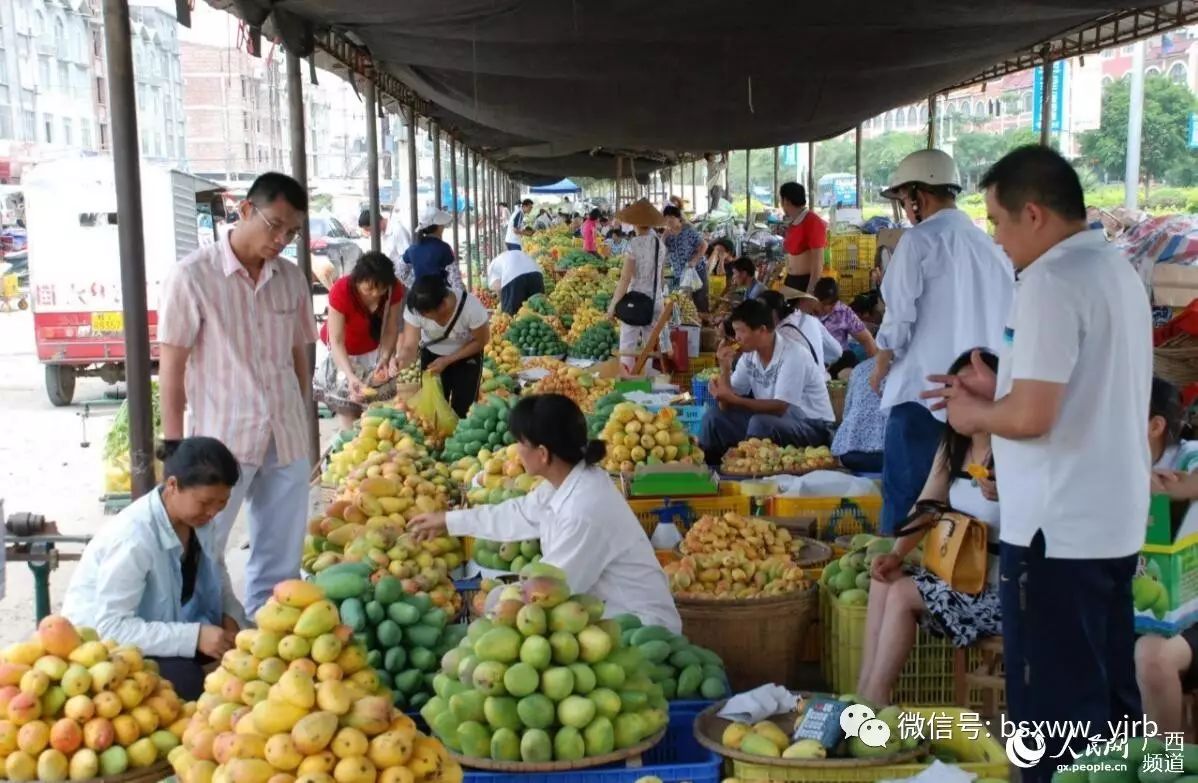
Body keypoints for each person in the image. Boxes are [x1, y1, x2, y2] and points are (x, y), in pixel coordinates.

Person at [926, 146, 1152, 781]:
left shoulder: (1051, 282)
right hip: (1108, 524)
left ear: (1032, 214)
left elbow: (1032, 417)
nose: (995, 239)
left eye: (996, 221)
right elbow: (1068, 397)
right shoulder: (1115, 270)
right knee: (1109, 708)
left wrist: (974, 418)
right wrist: (990, 397)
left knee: (1053, 718)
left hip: (1055, 535)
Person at [158, 172, 316, 616]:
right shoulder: (192, 277)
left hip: (284, 435)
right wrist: (173, 449)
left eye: (292, 231)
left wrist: (301, 412)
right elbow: (171, 371)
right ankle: (197, 640)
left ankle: (270, 635)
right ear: (245, 209)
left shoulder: (291, 279)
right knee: (203, 547)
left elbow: (298, 352)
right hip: (220, 439)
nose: (282, 239)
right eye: (275, 225)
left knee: (281, 553)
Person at [408, 394, 681, 631]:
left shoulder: (584, 510)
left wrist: (499, 601)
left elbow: (552, 588)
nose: (514, 450)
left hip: (639, 628)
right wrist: (448, 521)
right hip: (601, 614)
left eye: (519, 443)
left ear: (542, 453)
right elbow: (520, 513)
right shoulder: (567, 482)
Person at [870, 149, 1013, 537]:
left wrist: (881, 364)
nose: (904, 207)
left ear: (919, 195)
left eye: (903, 199)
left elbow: (898, 317)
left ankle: (893, 578)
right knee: (960, 504)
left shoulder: (918, 242)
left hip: (924, 394)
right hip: (981, 398)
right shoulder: (993, 248)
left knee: (906, 497)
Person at [857, 350, 1002, 705]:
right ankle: (861, 693)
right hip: (957, 575)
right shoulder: (953, 447)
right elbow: (927, 506)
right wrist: (895, 555)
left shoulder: (1014, 452)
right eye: (955, 392)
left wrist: (1009, 492)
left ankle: (874, 701)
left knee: (905, 593)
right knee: (884, 581)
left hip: (1003, 590)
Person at [62, 437, 244, 700]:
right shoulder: (133, 539)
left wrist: (231, 617)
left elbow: (218, 578)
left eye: (221, 504)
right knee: (186, 681)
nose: (213, 513)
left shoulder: (201, 522)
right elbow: (112, 628)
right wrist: (193, 637)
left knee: (235, 649)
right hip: (102, 652)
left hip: (159, 628)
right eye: (205, 503)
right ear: (172, 485)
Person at [1134, 377, 1198, 736]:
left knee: (1152, 657)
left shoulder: (1187, 456)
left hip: (1187, 619)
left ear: (1155, 426)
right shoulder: (1104, 460)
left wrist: (1179, 487)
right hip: (1121, 609)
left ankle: (1165, 767)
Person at [700, 299, 835, 465]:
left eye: (741, 332)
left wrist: (734, 399)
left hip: (813, 426)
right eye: (735, 332)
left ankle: (751, 472)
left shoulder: (793, 354)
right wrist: (725, 368)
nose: (737, 338)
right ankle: (713, 472)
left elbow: (779, 407)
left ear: (762, 330)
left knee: (760, 424)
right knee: (713, 418)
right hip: (774, 421)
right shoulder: (749, 356)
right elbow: (725, 406)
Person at [315, 251, 406, 430]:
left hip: (373, 350)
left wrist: (385, 358)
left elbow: (391, 328)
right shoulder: (342, 290)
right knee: (348, 407)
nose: (375, 294)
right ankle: (350, 445)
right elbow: (337, 340)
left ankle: (367, 445)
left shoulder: (394, 288)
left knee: (373, 408)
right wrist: (350, 375)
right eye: (369, 289)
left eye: (381, 289)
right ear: (357, 281)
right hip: (343, 353)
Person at [396, 276, 489, 418]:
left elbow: (481, 341)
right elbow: (410, 345)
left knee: (464, 409)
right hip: (432, 357)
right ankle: (437, 440)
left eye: (426, 315)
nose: (422, 317)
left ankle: (459, 438)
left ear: (443, 305)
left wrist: (448, 360)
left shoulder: (472, 308)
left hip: (466, 357)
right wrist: (400, 359)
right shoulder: (416, 308)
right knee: (432, 410)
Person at [609, 199, 668, 372]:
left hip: (635, 302)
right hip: (655, 301)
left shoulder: (634, 245)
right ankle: (646, 379)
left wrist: (613, 306)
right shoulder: (660, 244)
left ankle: (628, 382)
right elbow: (662, 277)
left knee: (627, 346)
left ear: (634, 223)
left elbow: (625, 280)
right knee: (648, 347)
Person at [832, 357, 888, 473]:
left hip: (850, 454)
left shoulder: (859, 369)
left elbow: (846, 412)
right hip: (894, 457)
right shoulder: (912, 368)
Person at [814, 278, 878, 376]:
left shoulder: (844, 312)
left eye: (830, 304)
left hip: (839, 362)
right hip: (814, 362)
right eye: (823, 304)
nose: (826, 308)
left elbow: (867, 340)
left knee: (849, 364)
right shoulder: (806, 312)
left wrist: (875, 371)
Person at [779, 182, 828, 294]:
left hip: (805, 282)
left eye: (781, 200)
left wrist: (810, 291)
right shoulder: (793, 222)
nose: (781, 204)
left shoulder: (812, 221)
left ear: (786, 201)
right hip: (791, 280)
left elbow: (818, 262)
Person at [402, 206, 463, 291]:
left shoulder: (412, 249)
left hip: (418, 298)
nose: (443, 226)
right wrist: (462, 298)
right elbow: (455, 279)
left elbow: (401, 273)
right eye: (442, 224)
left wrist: (415, 285)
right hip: (439, 297)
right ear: (439, 227)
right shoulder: (444, 248)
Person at [662, 204, 709, 311]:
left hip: (696, 271)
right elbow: (662, 252)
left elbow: (704, 245)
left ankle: (705, 326)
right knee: (685, 304)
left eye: (672, 217)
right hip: (680, 274)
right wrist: (663, 237)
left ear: (678, 218)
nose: (669, 220)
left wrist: (695, 260)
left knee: (700, 300)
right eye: (667, 218)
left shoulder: (688, 231)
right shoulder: (667, 235)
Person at [487, 247, 545, 315]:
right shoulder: (503, 258)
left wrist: (503, 301)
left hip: (514, 275)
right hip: (536, 272)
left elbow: (497, 287)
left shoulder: (491, 267)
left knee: (510, 315)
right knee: (538, 309)